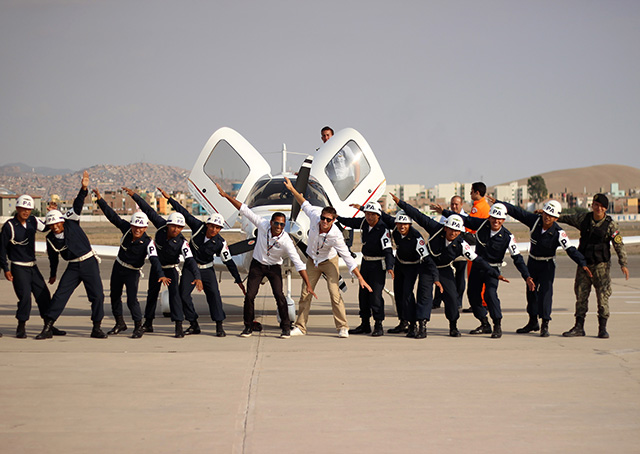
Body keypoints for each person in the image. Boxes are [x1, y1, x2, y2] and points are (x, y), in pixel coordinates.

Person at [393, 194, 504, 337]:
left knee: (452, 296)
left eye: (457, 231)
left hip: (445, 269)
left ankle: (453, 326)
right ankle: (422, 326)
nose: (453, 233)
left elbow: (478, 260)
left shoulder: (461, 244)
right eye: (451, 229)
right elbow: (418, 215)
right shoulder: (435, 228)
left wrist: (495, 273)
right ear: (445, 228)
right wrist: (400, 203)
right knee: (424, 296)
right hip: (427, 267)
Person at [216, 182, 317, 338]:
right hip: (257, 265)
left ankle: (285, 327)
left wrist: (308, 285)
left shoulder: (286, 241)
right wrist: (225, 195)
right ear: (271, 223)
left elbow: (298, 263)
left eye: (282, 224)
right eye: (276, 223)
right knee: (249, 296)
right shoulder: (262, 225)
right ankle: (248, 326)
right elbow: (244, 209)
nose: (278, 226)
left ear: (284, 226)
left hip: (274, 268)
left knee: (279, 296)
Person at [488, 197, 592, 336]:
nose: (547, 218)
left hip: (547, 265)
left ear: (556, 218)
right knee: (530, 292)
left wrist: (583, 263)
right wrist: (499, 203)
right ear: (542, 212)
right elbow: (518, 212)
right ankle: (532, 322)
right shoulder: (535, 220)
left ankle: (545, 324)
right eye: (546, 214)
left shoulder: (559, 233)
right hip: (532, 262)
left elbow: (571, 250)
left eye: (551, 216)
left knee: (545, 294)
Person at [283, 177, 371, 338]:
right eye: (323, 218)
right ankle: (301, 327)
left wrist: (360, 277)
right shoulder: (315, 216)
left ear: (333, 220)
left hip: (329, 262)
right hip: (311, 261)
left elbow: (347, 256)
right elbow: (304, 203)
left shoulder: (336, 235)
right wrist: (292, 189)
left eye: (328, 220)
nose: (324, 221)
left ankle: (342, 327)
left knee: (334, 293)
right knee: (305, 294)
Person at [438, 203, 535, 338]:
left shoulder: (508, 237)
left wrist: (527, 276)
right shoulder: (482, 224)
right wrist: (444, 211)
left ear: (504, 219)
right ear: (489, 217)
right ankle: (484, 323)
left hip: (493, 269)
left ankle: (497, 324)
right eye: (494, 217)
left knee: (490, 294)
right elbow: (464, 220)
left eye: (499, 218)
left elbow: (517, 258)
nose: (496, 221)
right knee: (472, 295)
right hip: (478, 267)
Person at [158, 188, 246, 337]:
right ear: (207, 224)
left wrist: (238, 280)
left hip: (207, 269)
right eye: (212, 226)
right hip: (190, 269)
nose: (214, 229)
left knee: (214, 296)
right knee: (183, 295)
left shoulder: (220, 242)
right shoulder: (198, 227)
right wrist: (169, 199)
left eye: (217, 228)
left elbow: (229, 262)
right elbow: (183, 212)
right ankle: (193, 324)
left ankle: (219, 325)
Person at [123, 187, 203, 338]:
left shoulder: (182, 243)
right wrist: (135, 196)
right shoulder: (160, 227)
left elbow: (191, 260)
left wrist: (197, 276)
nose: (176, 229)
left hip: (171, 269)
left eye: (179, 227)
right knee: (151, 294)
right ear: (167, 225)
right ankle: (148, 323)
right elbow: (148, 210)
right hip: (157, 267)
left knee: (175, 296)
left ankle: (178, 325)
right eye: (173, 226)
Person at [36, 171, 107, 339]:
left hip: (89, 262)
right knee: (61, 294)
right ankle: (48, 326)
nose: (55, 227)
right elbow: (53, 258)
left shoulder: (72, 222)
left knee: (97, 295)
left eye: (57, 223)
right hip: (73, 266)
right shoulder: (50, 239)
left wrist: (84, 188)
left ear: (62, 221)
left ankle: (96, 327)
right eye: (51, 225)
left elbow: (78, 204)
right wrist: (53, 274)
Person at [93, 189, 163, 338]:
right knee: (114, 296)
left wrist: (161, 275)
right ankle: (120, 323)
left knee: (132, 300)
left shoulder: (149, 242)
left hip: (132, 271)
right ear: (131, 226)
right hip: (118, 267)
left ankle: (138, 326)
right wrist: (100, 200)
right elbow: (113, 217)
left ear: (145, 228)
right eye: (135, 227)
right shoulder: (126, 230)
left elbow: (155, 260)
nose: (137, 230)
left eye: (140, 228)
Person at [557, 194, 629, 338]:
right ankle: (579, 327)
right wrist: (551, 215)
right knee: (581, 296)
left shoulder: (611, 225)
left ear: (606, 209)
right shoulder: (584, 219)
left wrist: (623, 264)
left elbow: (619, 244)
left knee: (603, 297)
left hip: (601, 267)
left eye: (601, 206)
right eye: (596, 205)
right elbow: (568, 218)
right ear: (592, 205)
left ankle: (602, 328)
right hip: (584, 266)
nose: (598, 208)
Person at [0, 195, 65, 338]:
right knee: (25, 298)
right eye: (23, 209)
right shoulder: (9, 226)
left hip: (32, 266)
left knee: (44, 295)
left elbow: (47, 228)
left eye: (29, 209)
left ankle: (49, 325)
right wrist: (6, 268)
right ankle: (21, 326)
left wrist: (52, 214)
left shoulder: (33, 220)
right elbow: (2, 249)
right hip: (18, 267)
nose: (26, 212)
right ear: (17, 208)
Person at [377, 208, 442, 339]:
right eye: (399, 224)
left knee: (407, 294)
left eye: (405, 224)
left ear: (410, 225)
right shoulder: (395, 230)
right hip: (400, 264)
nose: (402, 226)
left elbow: (428, 259)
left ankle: (413, 325)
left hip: (413, 266)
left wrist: (436, 277)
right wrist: (362, 208)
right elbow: (382, 215)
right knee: (399, 294)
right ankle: (403, 322)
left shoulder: (417, 238)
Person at [336, 201, 394, 337]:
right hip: (366, 263)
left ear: (378, 215)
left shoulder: (383, 230)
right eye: (367, 214)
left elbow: (388, 250)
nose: (369, 217)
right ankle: (365, 324)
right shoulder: (364, 223)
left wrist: (390, 266)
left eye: (372, 215)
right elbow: (350, 222)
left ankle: (378, 324)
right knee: (363, 295)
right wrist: (337, 217)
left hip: (378, 265)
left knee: (375, 295)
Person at [462, 182, 492, 313]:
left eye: (471, 191)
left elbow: (469, 225)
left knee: (474, 276)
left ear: (477, 193)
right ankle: (481, 302)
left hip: (475, 245)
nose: (470, 194)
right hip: (482, 245)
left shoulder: (478, 208)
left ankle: (479, 303)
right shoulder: (485, 206)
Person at [434, 195, 467, 310]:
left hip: (459, 253)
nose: (454, 206)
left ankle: (458, 301)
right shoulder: (444, 217)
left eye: (456, 204)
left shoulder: (466, 218)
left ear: (461, 205)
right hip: (445, 252)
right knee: (440, 274)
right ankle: (437, 300)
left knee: (460, 277)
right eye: (452, 204)